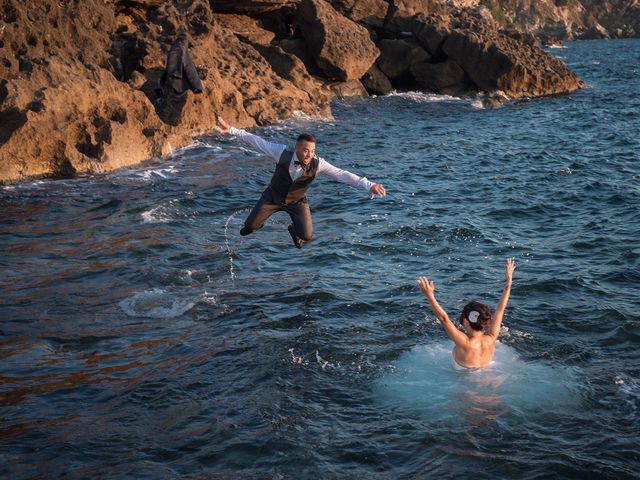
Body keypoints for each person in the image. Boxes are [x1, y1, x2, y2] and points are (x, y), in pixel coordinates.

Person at [217, 116, 386, 248]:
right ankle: (255, 224)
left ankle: (294, 231)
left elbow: (342, 174)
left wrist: (369, 185)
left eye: (312, 151)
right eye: (305, 150)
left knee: (306, 236)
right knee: (249, 227)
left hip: (297, 202)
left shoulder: (318, 164)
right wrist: (231, 130)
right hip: (272, 198)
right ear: (297, 147)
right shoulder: (281, 153)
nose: (308, 155)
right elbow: (256, 141)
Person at [417, 258, 516, 369]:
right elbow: (500, 309)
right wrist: (509, 281)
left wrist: (429, 296)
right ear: (485, 321)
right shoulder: (491, 337)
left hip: (465, 379)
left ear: (465, 320)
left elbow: (444, 319)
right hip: (488, 374)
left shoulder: (464, 343)